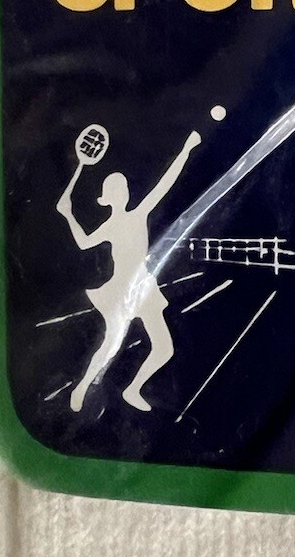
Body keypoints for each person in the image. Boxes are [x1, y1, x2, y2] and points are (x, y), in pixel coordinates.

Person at [57, 130, 202, 412]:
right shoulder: (111, 226)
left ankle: (133, 389)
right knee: (109, 346)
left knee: (164, 348)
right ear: (107, 198)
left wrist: (186, 151)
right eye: (116, 190)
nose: (122, 192)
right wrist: (69, 214)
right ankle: (82, 387)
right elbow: (84, 243)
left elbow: (164, 185)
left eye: (123, 188)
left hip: (142, 287)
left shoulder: (138, 214)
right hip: (121, 290)